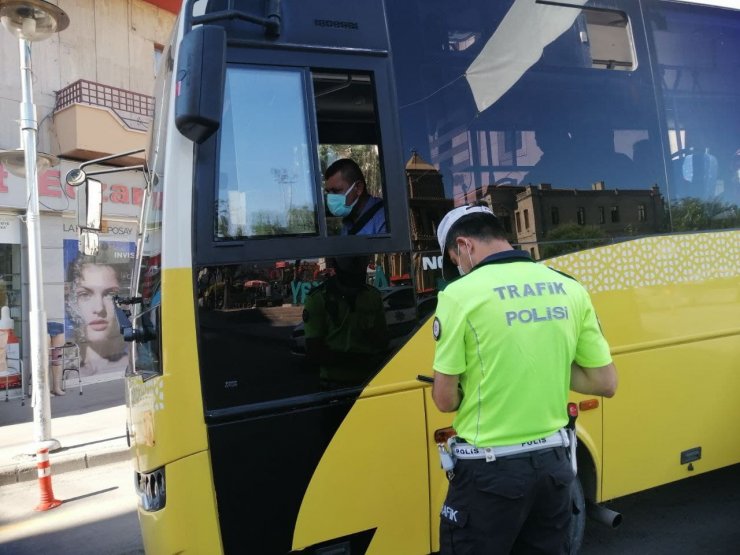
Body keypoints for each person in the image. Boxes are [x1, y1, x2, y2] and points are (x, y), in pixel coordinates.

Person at [431, 202, 618, 554]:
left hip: (490, 475)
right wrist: (543, 364)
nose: (458, 270)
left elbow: (444, 400)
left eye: (455, 261)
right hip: (555, 468)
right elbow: (605, 382)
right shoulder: (569, 287)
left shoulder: (459, 295)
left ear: (464, 246)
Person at [303, 256, 388, 388]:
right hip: (334, 384)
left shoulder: (372, 296)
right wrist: (358, 360)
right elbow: (314, 352)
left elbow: (383, 341)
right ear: (337, 269)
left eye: (359, 275)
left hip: (369, 380)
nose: (355, 281)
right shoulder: (318, 298)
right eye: (349, 276)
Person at [66, 257, 129, 378]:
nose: (99, 308)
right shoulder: (67, 369)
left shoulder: (133, 365)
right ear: (72, 302)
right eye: (85, 294)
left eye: (110, 294)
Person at [324, 158, 387, 235]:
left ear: (358, 188)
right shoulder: (348, 222)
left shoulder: (385, 220)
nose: (331, 198)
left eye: (336, 191)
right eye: (328, 192)